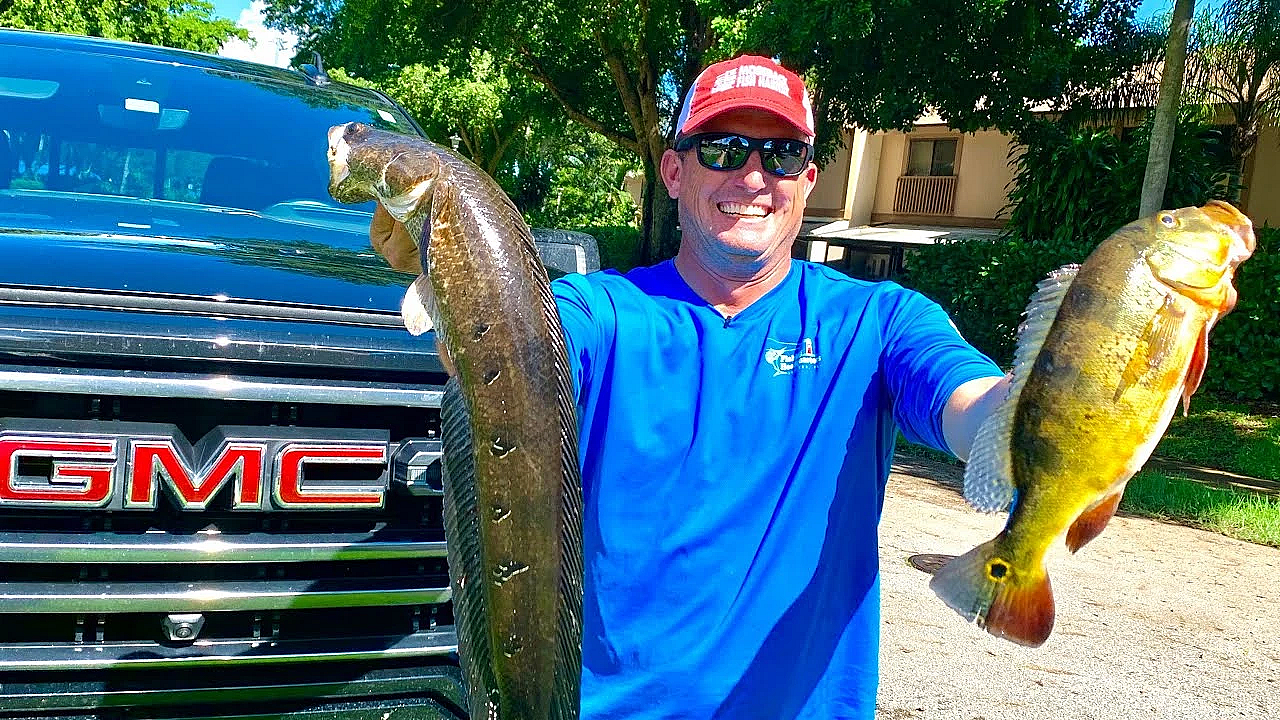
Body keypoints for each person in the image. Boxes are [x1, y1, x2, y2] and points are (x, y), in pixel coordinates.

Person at [369, 54, 1009, 720]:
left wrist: (1044, 418)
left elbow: (973, 408)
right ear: (674, 171)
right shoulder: (601, 312)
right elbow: (508, 353)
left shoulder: (879, 322)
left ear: (809, 180)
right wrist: (458, 278)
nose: (755, 175)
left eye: (782, 154)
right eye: (725, 149)